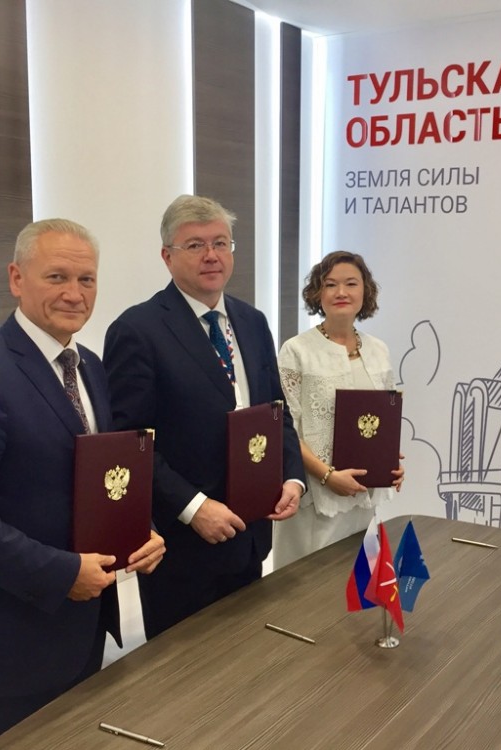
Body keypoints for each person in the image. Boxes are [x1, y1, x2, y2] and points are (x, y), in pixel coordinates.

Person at [0, 218, 166, 749]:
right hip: (14, 635)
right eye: (57, 277)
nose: (75, 293)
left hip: (84, 622)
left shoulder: (89, 366)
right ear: (16, 278)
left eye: (87, 279)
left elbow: (97, 478)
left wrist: (138, 529)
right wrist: (61, 573)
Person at [103, 194, 305, 639]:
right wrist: (193, 508)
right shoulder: (137, 330)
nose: (211, 255)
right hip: (184, 547)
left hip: (251, 533)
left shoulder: (252, 321)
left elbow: (276, 411)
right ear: (167, 256)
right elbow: (130, 443)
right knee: (185, 671)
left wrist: (292, 475)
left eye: (220, 243)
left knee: (248, 656)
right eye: (195, 245)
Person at [274, 251, 405, 568]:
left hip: (362, 494)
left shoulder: (378, 349)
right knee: (310, 584)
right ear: (318, 293)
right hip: (314, 498)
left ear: (365, 291)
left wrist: (391, 461)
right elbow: (284, 429)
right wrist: (328, 475)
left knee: (355, 579)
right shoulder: (297, 350)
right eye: (331, 284)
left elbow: (382, 422)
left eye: (351, 283)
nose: (341, 292)